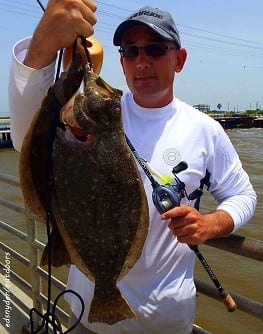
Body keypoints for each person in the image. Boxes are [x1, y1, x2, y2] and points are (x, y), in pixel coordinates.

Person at [9, 1, 257, 333]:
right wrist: (43, 46)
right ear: (121, 61)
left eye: (155, 49)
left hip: (166, 321)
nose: (141, 61)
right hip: (86, 318)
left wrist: (211, 224)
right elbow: (25, 136)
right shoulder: (94, 115)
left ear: (178, 59)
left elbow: (243, 194)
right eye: (130, 51)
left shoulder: (205, 130)